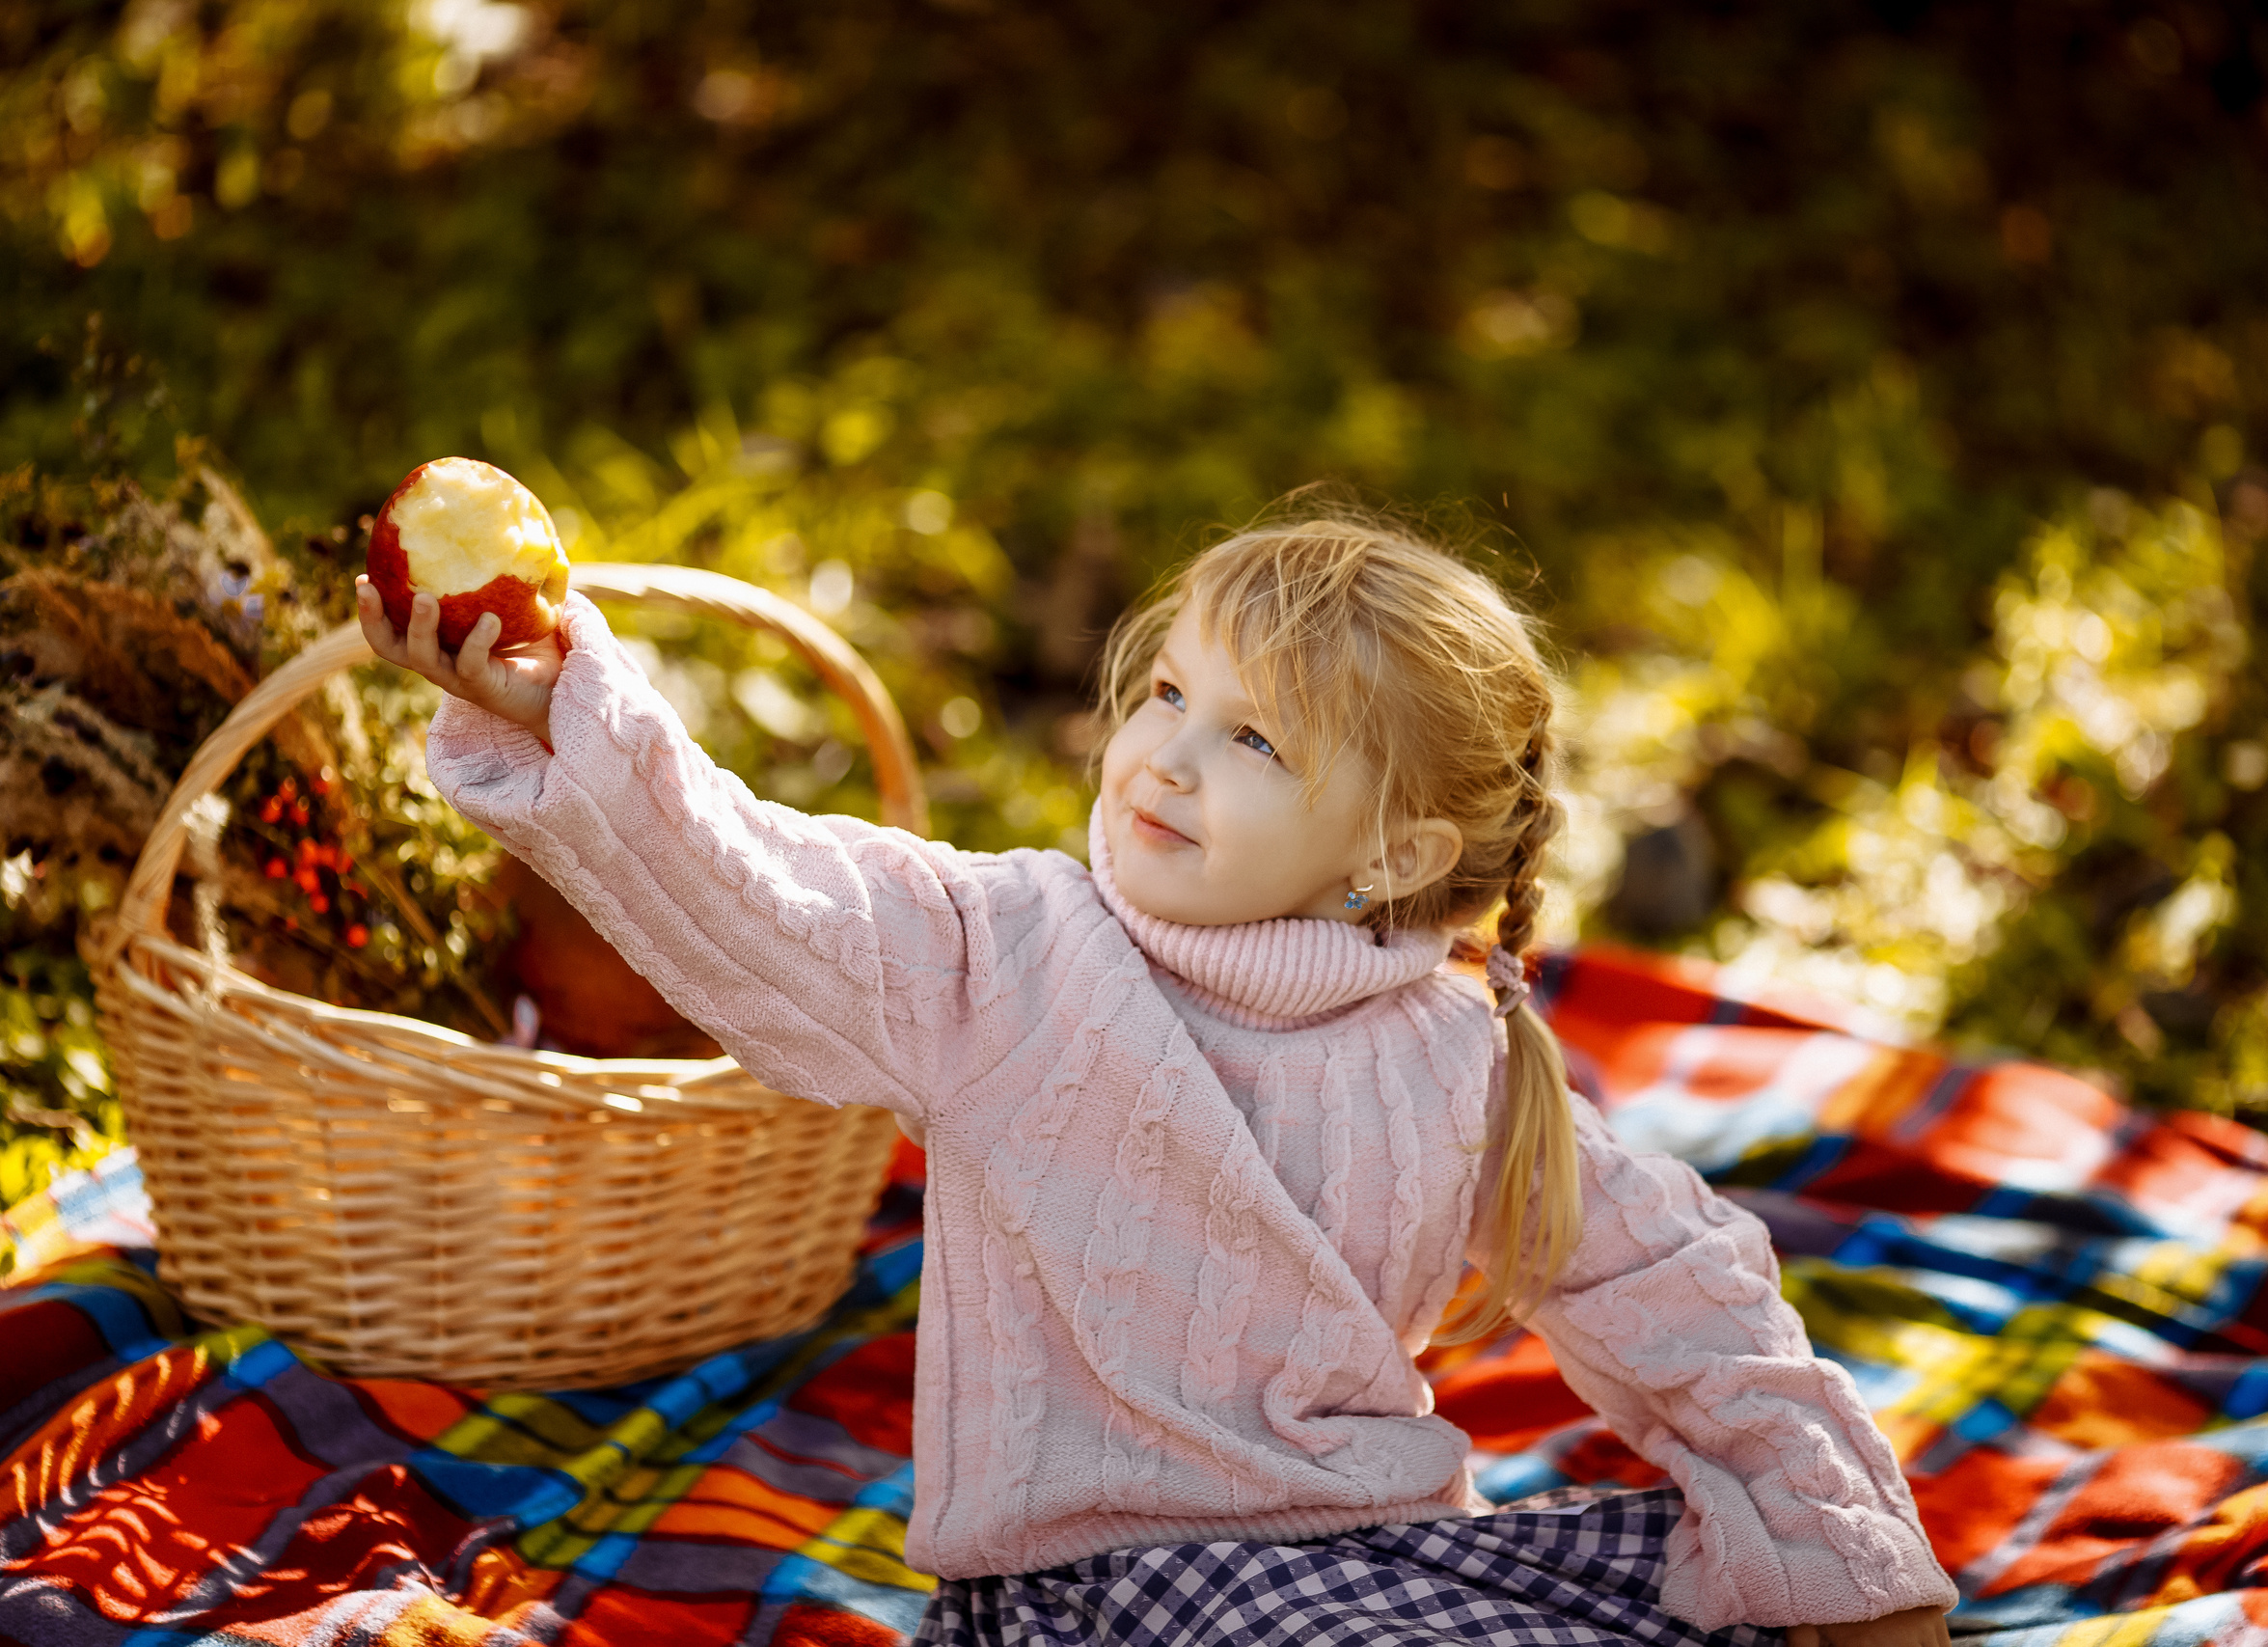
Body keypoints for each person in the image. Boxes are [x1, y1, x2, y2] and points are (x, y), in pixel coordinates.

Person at [357, 511, 1957, 1647]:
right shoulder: (1008, 954)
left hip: (1362, 1563)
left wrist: (1842, 1546)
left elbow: (1680, 1287)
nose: (1167, 757)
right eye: (1171, 693)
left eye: (1258, 743)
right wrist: (563, 699)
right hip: (1089, 1595)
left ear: (1391, 853)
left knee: (1726, 1590)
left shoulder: (1456, 1057)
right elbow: (758, 883)